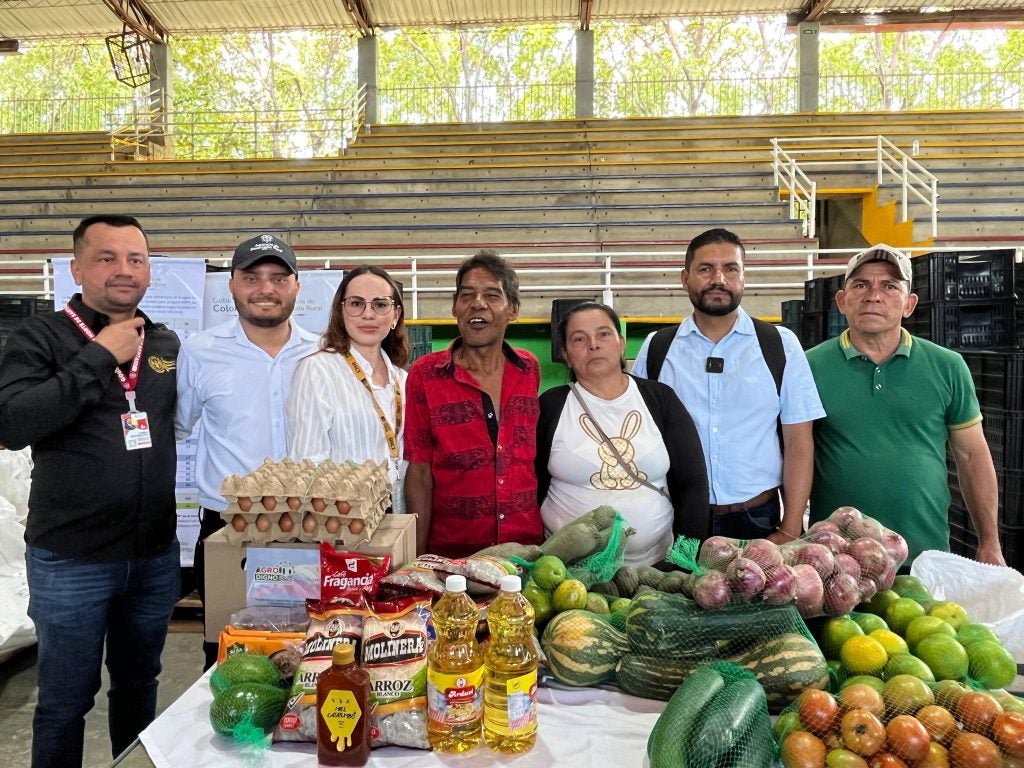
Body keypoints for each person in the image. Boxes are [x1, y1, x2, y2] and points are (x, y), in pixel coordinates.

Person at [0, 214, 180, 767]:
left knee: (139, 687)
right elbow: (12, 423)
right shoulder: (42, 336)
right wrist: (100, 355)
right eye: (107, 258)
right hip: (71, 560)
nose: (123, 271)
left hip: (152, 556)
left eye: (136, 259)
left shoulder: (165, 341)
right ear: (76, 268)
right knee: (64, 702)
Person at [806, 244, 1005, 567]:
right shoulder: (809, 367)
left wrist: (990, 542)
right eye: (861, 285)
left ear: (909, 304)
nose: (874, 295)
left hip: (924, 556)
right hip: (836, 563)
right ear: (842, 301)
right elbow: (794, 453)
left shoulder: (947, 366)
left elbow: (972, 456)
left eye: (889, 286)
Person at [174, 233, 317, 669]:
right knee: (225, 654)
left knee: (309, 653)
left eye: (278, 277)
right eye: (252, 277)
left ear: (297, 286)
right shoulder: (200, 351)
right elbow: (181, 423)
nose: (265, 289)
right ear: (232, 285)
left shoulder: (322, 352)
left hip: (310, 527)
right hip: (227, 530)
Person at [632, 227, 825, 543]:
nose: (718, 279)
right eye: (705, 269)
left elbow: (799, 443)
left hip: (758, 519)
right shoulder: (657, 349)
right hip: (675, 516)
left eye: (730, 268)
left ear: (743, 277)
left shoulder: (780, 346)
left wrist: (791, 528)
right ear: (685, 278)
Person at [535, 302, 710, 566]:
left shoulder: (660, 399)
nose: (593, 344)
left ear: (621, 343)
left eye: (604, 334)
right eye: (578, 339)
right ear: (566, 354)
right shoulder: (550, 406)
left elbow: (693, 484)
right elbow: (530, 487)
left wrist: (683, 563)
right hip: (568, 574)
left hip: (656, 568)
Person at [404, 249, 544, 558]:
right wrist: (415, 559)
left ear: (514, 310)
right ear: (455, 307)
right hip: (453, 559)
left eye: (492, 295)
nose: (477, 303)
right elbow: (420, 473)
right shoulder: (425, 375)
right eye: (467, 295)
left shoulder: (529, 369)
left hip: (527, 555)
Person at [287, 265, 409, 511]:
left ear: (395, 316)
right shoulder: (317, 370)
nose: (368, 314)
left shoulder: (403, 380)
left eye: (380, 304)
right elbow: (307, 465)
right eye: (356, 303)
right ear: (341, 312)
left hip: (397, 515)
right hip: (343, 523)